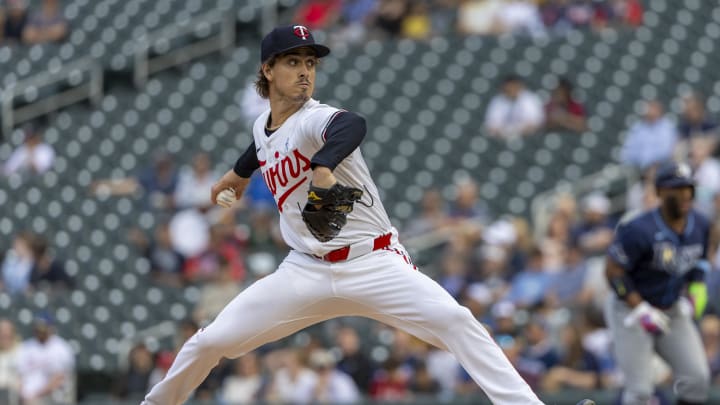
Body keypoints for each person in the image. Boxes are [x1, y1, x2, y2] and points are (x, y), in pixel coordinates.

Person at [141, 24, 595, 405]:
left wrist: (322, 166)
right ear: (268, 70)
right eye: (293, 62)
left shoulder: (317, 118)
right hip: (305, 270)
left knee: (457, 322)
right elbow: (263, 142)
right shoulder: (264, 124)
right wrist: (238, 173)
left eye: (310, 63)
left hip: (373, 262)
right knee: (212, 341)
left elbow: (351, 124)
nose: (305, 72)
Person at [604, 161, 711, 405]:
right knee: (640, 391)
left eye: (689, 188)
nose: (685, 195)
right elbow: (613, 272)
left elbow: (700, 261)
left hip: (671, 309)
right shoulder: (638, 228)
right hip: (630, 310)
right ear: (661, 191)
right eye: (678, 189)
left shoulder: (701, 224)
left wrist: (696, 290)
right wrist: (640, 307)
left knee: (696, 378)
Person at [15, 314, 75, 405]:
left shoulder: (61, 348)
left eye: (43, 328)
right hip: (27, 396)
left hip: (51, 396)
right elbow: (19, 376)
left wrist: (36, 395)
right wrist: (23, 394)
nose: (41, 332)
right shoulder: (26, 347)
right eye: (38, 329)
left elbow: (59, 378)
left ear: (50, 328)